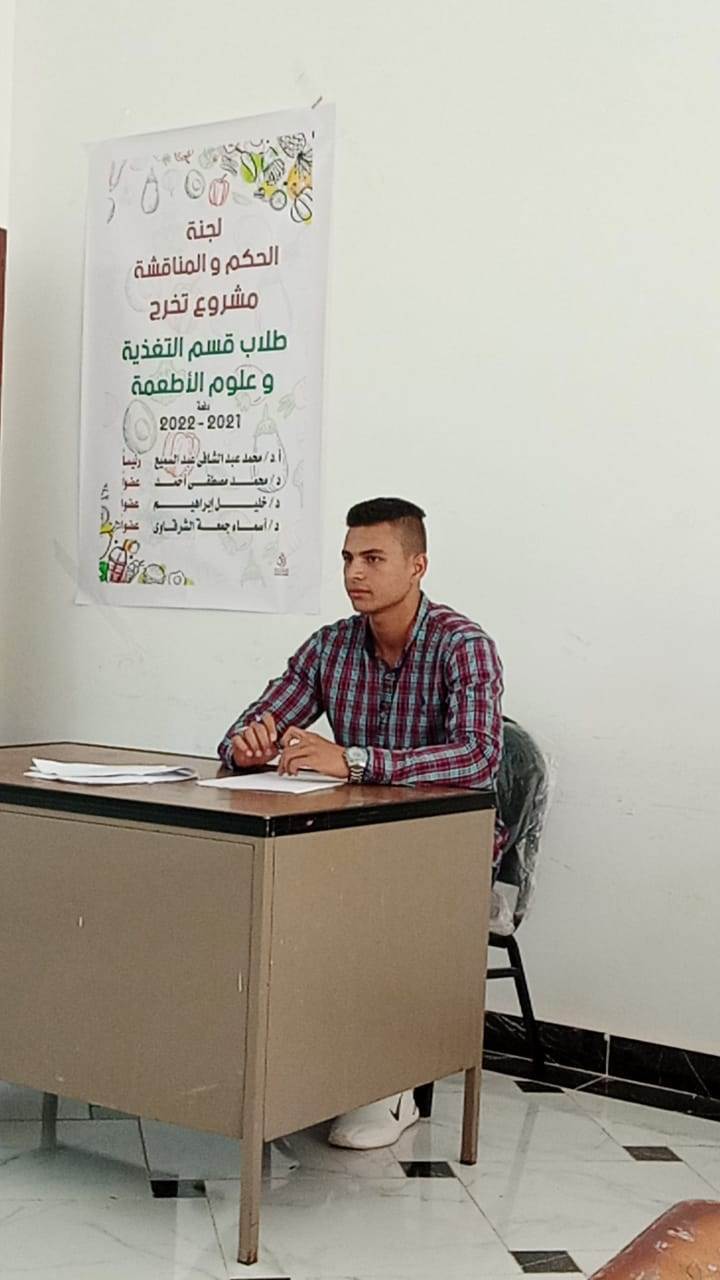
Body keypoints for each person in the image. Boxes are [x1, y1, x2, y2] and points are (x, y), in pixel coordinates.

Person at [218, 496, 505, 1150]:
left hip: (445, 848)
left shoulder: (464, 647)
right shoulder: (331, 645)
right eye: (348, 558)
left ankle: (392, 1083)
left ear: (418, 565)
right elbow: (250, 725)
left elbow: (479, 755)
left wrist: (353, 760)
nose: (354, 573)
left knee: (370, 905)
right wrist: (248, 745)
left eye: (373, 558)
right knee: (265, 894)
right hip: (354, 840)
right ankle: (303, 1064)